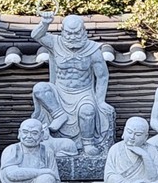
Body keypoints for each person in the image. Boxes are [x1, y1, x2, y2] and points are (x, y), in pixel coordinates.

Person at [31, 13, 114, 156]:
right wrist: (45, 23)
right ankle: (59, 114)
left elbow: (102, 76)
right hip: (60, 91)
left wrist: (100, 101)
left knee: (87, 111)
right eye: (69, 33)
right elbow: (36, 36)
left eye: (76, 33)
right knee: (39, 88)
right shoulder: (55, 43)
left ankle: (87, 143)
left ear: (83, 31)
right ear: (62, 31)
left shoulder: (93, 50)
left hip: (83, 92)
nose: (72, 37)